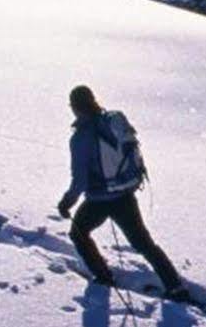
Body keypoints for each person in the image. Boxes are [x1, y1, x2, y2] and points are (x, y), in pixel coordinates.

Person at [57, 85, 190, 299]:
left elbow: (79, 181)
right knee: (143, 243)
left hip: (99, 199)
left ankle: (103, 276)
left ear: (74, 108)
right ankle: (175, 285)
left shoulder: (81, 138)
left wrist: (66, 203)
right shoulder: (113, 122)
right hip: (125, 194)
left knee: (78, 233)